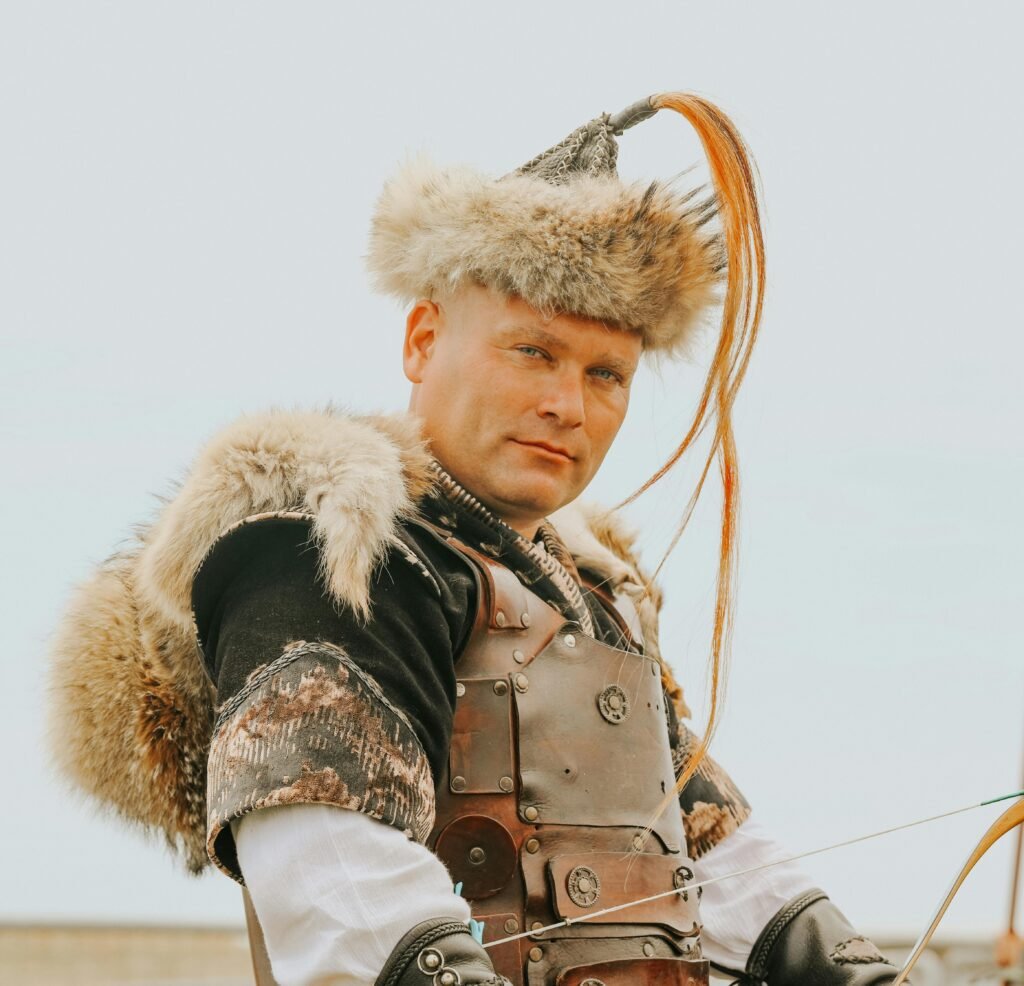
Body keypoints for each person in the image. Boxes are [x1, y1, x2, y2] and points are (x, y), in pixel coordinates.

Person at [48, 92, 906, 985]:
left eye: (605, 373)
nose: (567, 406)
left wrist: (855, 973)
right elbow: (337, 877)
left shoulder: (592, 598)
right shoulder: (334, 553)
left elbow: (712, 851)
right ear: (423, 340)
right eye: (532, 352)